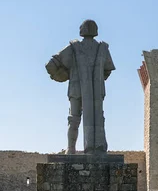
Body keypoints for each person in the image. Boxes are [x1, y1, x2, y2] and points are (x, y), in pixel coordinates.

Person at [45, 20, 115, 154]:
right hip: (96, 91)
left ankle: (71, 149)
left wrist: (60, 75)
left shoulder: (74, 47)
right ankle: (96, 148)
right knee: (97, 117)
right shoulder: (102, 49)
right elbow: (107, 71)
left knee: (74, 118)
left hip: (76, 89)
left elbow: (50, 65)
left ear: (82, 30)